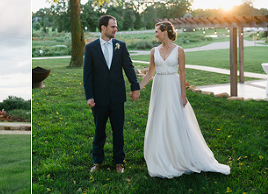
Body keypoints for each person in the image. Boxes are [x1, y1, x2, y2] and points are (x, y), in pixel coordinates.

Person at [139, 21, 230, 178]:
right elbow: (150, 73)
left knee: (176, 119)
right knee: (159, 119)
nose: (155, 34)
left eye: (157, 31)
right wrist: (138, 88)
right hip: (159, 87)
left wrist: (183, 95)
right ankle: (160, 154)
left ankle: (179, 155)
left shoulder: (179, 51)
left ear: (165, 31)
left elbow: (182, 74)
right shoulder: (154, 51)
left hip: (173, 88)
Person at [83, 15, 140, 174]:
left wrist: (135, 87)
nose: (116, 29)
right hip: (99, 98)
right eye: (113, 26)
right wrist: (89, 96)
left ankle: (119, 162)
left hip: (117, 97)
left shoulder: (120, 46)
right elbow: (87, 75)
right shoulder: (91, 48)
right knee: (99, 131)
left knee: (118, 131)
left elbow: (128, 67)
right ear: (103, 28)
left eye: (115, 26)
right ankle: (97, 161)